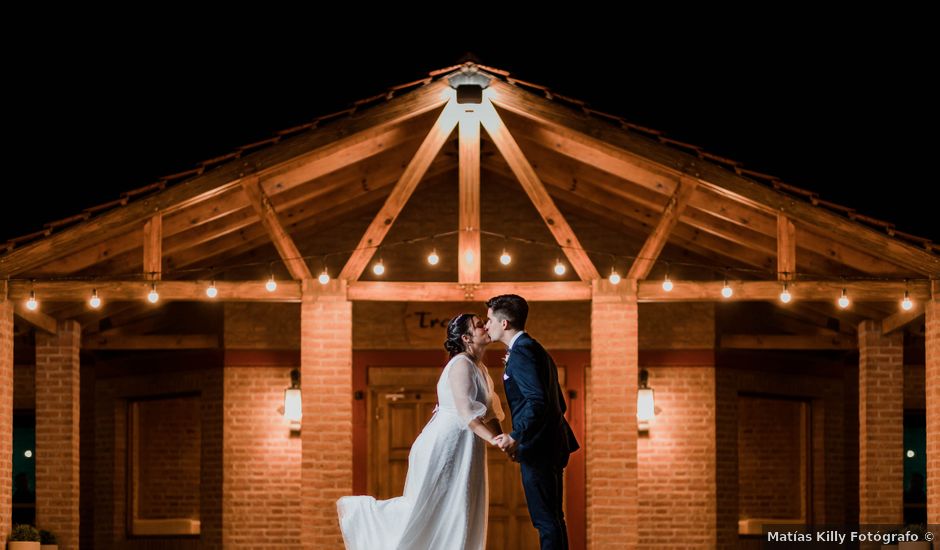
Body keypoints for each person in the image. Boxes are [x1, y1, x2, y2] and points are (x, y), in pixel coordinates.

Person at [337, 313, 504, 550]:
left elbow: (490, 411)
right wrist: (495, 441)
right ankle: (361, 514)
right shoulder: (460, 364)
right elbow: (467, 413)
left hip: (468, 445)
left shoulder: (481, 368)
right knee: (432, 509)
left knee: (461, 507)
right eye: (479, 325)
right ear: (466, 337)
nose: (486, 326)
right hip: (447, 445)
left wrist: (500, 437)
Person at [486, 294, 579, 550]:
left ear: (504, 324)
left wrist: (516, 436)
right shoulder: (535, 348)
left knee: (545, 521)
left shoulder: (522, 353)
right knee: (554, 519)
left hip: (539, 449)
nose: (486, 326)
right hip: (551, 445)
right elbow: (558, 403)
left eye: (489, 320)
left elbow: (538, 401)